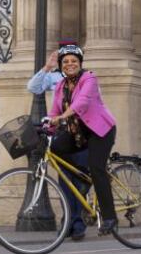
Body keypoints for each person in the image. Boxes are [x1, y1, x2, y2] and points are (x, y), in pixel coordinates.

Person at [48, 44, 118, 236]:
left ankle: (110, 217)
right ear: (61, 65)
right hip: (79, 133)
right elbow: (54, 111)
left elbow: (82, 102)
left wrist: (63, 117)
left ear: (80, 63)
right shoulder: (61, 86)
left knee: (97, 168)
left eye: (74, 61)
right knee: (53, 148)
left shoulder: (89, 78)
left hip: (101, 130)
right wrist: (45, 126)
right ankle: (82, 175)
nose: (70, 64)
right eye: (66, 62)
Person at [27, 40, 91, 241]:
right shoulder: (55, 77)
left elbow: (85, 105)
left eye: (73, 58)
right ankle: (72, 221)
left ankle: (75, 221)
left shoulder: (85, 78)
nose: (69, 62)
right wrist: (47, 66)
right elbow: (33, 87)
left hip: (83, 135)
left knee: (80, 181)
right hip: (63, 135)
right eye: (64, 58)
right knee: (65, 181)